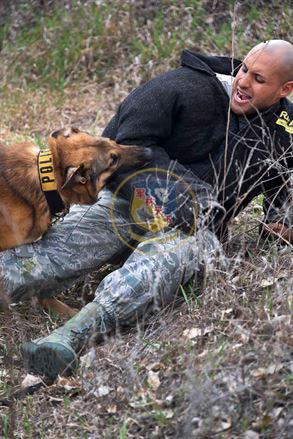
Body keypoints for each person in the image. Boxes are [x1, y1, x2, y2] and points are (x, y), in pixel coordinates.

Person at [1, 40, 292, 380]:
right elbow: (122, 147)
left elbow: (282, 189)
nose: (243, 82)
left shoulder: (285, 131)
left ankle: (71, 336)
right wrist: (181, 193)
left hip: (192, 230)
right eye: (244, 69)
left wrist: (278, 222)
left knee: (152, 272)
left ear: (285, 88)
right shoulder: (179, 88)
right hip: (125, 204)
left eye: (258, 79)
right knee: (48, 260)